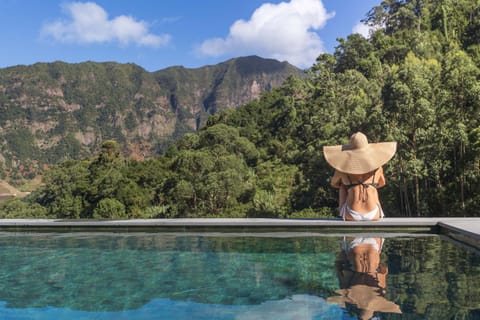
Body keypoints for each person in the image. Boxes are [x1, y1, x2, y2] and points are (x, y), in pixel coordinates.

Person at [323, 132, 396, 221]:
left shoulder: (342, 169)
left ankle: (340, 213)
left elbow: (334, 183)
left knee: (342, 186)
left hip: (350, 214)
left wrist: (350, 185)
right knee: (373, 187)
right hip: (373, 213)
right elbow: (382, 183)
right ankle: (380, 214)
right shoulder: (377, 168)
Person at [328, 237, 402, 319]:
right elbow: (338, 267)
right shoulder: (348, 295)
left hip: (373, 246)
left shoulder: (379, 292)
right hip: (354, 246)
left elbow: (384, 269)